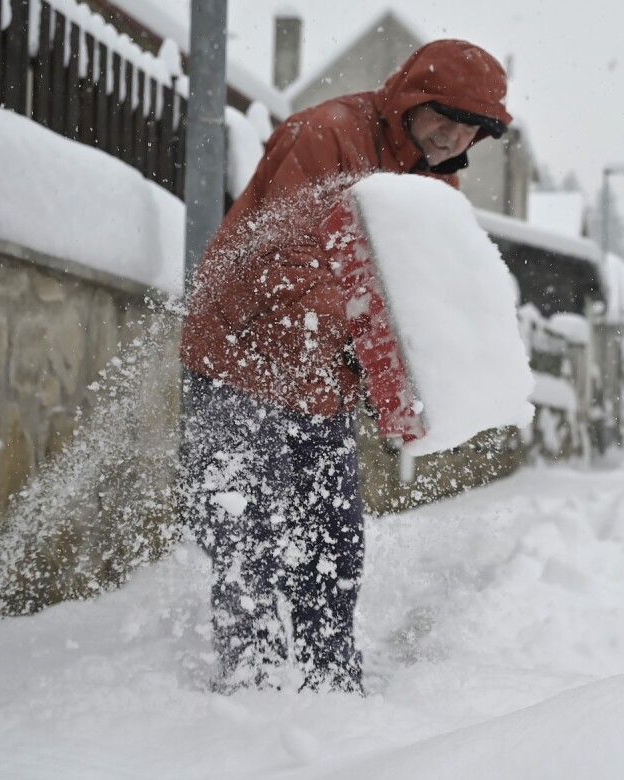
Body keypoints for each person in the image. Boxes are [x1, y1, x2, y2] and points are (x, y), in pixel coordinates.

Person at [179, 39, 512, 693]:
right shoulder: (326, 135)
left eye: (470, 127)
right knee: (252, 532)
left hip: (320, 376)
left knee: (332, 536)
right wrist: (363, 335)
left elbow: (414, 284)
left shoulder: (431, 175)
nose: (454, 136)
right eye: (443, 116)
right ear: (413, 100)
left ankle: (329, 677)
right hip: (237, 356)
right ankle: (252, 683)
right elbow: (280, 261)